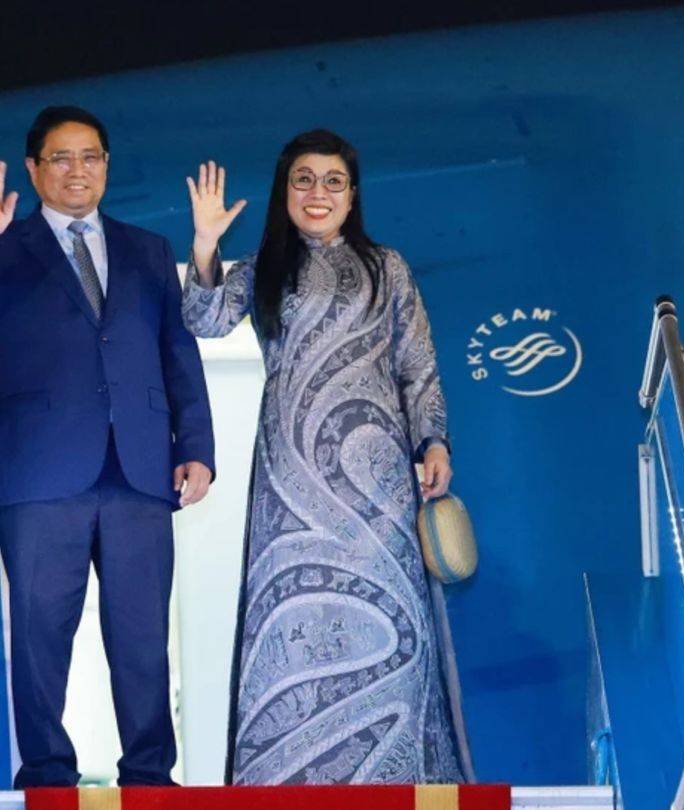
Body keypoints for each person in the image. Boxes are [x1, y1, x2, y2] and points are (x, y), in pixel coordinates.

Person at [0, 105, 215, 788]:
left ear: (106, 166)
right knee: (40, 636)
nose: (77, 170)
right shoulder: (6, 245)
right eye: (61, 157)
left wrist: (198, 446)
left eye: (90, 156)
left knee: (143, 637)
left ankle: (149, 776)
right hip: (38, 475)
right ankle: (46, 775)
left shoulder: (148, 250)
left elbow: (177, 352)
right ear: (34, 170)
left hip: (140, 470)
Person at [181, 130, 462, 784]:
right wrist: (205, 245)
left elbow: (418, 364)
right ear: (285, 191)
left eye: (333, 181)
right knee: (294, 618)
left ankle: (396, 777)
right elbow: (204, 320)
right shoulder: (264, 267)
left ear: (352, 194)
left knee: (395, 621)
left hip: (379, 482)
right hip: (290, 479)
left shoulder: (387, 268)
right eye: (303, 179)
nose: (318, 193)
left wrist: (433, 440)